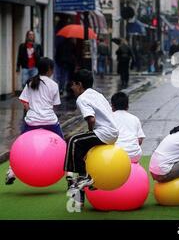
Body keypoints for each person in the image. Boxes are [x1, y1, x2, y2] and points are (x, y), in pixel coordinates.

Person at [64, 69, 118, 210]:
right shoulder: (97, 94)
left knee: (74, 141)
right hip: (112, 132)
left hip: (103, 133)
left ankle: (76, 176)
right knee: (83, 152)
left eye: (73, 85)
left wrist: (90, 131)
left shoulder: (82, 98)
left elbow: (91, 119)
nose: (71, 88)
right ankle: (80, 194)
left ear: (79, 84)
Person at [5, 57, 63, 185]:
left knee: (20, 145)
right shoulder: (54, 85)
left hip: (32, 121)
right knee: (63, 143)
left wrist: (33, 111)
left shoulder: (30, 82)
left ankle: (11, 171)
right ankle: (70, 174)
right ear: (49, 70)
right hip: (50, 121)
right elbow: (55, 105)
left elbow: (24, 102)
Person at [111, 92, 146, 163]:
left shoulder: (109, 118)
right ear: (127, 106)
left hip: (116, 154)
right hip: (134, 155)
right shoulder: (135, 118)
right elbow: (140, 139)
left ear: (112, 107)